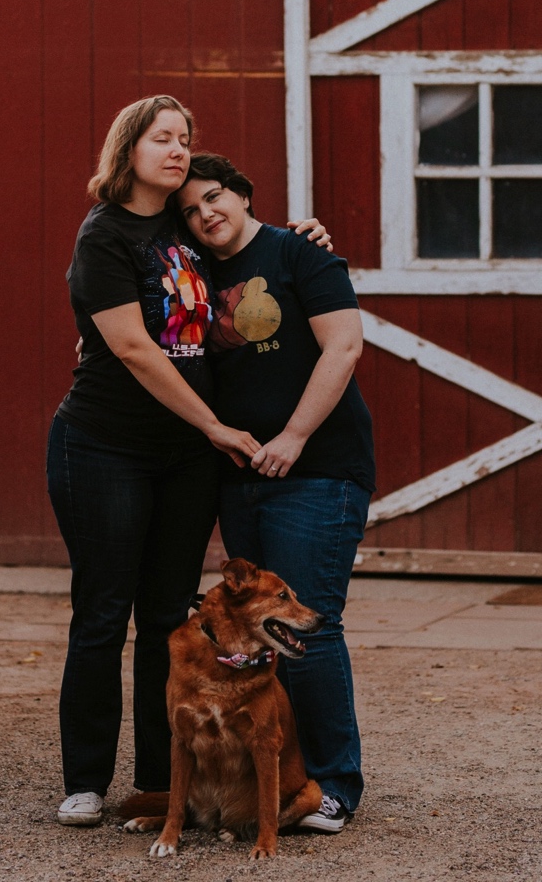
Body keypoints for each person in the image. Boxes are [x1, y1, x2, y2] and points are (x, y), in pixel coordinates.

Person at [47, 96, 328, 827]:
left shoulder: (183, 226)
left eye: (185, 140)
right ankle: (84, 780)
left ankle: (152, 781)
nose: (176, 150)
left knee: (168, 614)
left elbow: (241, 241)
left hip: (182, 458)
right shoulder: (104, 236)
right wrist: (216, 426)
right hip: (104, 446)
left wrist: (299, 236)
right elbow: (135, 347)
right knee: (103, 612)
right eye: (161, 139)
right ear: (127, 150)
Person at [177, 152, 376, 835]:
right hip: (242, 481)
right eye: (192, 210)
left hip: (316, 473)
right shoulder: (197, 275)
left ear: (240, 193)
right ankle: (281, 786)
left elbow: (344, 348)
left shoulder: (300, 254)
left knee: (310, 630)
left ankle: (336, 787)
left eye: (214, 197)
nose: (206, 214)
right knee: (261, 637)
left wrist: (292, 436)